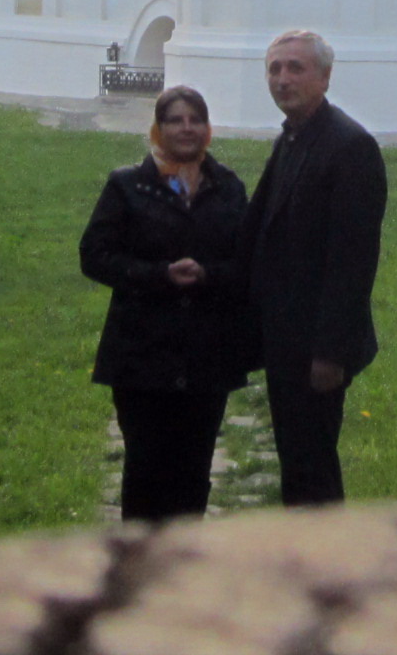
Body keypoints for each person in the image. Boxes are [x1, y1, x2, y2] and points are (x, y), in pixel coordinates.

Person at [78, 84, 252, 523]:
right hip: (142, 353)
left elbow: (249, 262)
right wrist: (158, 275)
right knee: (146, 469)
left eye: (196, 119)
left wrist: (208, 274)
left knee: (193, 472)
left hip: (206, 354)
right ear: (159, 128)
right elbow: (95, 256)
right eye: (175, 120)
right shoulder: (128, 186)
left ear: (207, 128)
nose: (186, 128)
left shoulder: (227, 187)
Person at [243, 29, 387, 507]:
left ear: (325, 77)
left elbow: (353, 261)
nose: (282, 79)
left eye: (295, 68)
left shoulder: (350, 146)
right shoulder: (292, 136)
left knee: (312, 466)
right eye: (274, 69)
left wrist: (330, 354)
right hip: (284, 336)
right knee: (297, 459)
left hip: (317, 347)